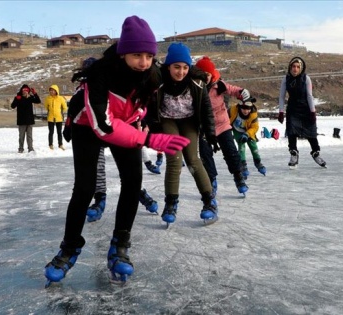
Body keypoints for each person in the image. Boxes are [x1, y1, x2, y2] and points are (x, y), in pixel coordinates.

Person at [44, 16, 190, 287]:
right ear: (123, 53)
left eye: (149, 55)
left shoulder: (153, 74)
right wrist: (148, 139)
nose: (144, 62)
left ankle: (120, 244)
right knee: (84, 188)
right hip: (89, 126)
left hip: (128, 124)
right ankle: (70, 247)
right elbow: (105, 126)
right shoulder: (100, 75)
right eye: (137, 55)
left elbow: (161, 94)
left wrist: (147, 123)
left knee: (134, 181)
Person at [145, 42, 219, 226]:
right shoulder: (159, 81)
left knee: (193, 159)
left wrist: (211, 133)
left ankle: (209, 202)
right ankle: (171, 204)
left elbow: (206, 109)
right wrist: (152, 128)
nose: (181, 72)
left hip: (189, 121)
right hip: (167, 120)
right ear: (168, 66)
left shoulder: (197, 82)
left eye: (185, 67)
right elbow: (149, 104)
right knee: (174, 159)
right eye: (176, 67)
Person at [194, 56, 249, 192]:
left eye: (206, 75)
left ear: (212, 75)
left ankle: (238, 176)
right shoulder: (194, 88)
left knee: (231, 151)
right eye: (201, 75)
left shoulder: (219, 85)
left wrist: (241, 92)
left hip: (222, 125)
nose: (204, 78)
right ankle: (211, 180)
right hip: (205, 129)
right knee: (205, 155)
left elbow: (232, 89)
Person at [278, 56, 326, 169]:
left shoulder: (306, 78)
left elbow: (309, 96)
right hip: (292, 109)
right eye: (293, 66)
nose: (295, 69)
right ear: (290, 67)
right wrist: (281, 111)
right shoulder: (286, 79)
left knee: (311, 133)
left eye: (298, 67)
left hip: (305, 108)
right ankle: (294, 154)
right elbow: (281, 96)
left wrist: (313, 111)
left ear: (301, 68)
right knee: (291, 132)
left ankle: (316, 153)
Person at [229, 97, 267, 177]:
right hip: (237, 130)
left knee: (253, 145)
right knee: (241, 146)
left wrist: (247, 134)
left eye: (248, 109)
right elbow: (225, 119)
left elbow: (255, 127)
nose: (246, 111)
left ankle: (258, 162)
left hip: (249, 130)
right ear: (239, 107)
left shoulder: (253, 114)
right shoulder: (233, 110)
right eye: (244, 109)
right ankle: (243, 164)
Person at [10, 84, 41, 153]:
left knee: (29, 136)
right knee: (21, 136)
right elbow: (12, 106)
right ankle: (21, 148)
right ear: (21, 91)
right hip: (21, 120)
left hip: (30, 120)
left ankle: (30, 148)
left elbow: (38, 101)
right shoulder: (18, 98)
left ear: (28, 91)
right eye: (24, 90)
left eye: (26, 90)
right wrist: (16, 100)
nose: (25, 92)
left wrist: (35, 93)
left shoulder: (30, 97)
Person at [44, 85, 68, 150]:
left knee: (59, 132)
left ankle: (60, 145)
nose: (51, 91)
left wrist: (61, 111)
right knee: (51, 132)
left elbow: (65, 107)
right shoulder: (47, 98)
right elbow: (46, 107)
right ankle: (50, 145)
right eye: (50, 90)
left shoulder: (61, 98)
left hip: (59, 117)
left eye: (53, 90)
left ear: (56, 91)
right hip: (50, 117)